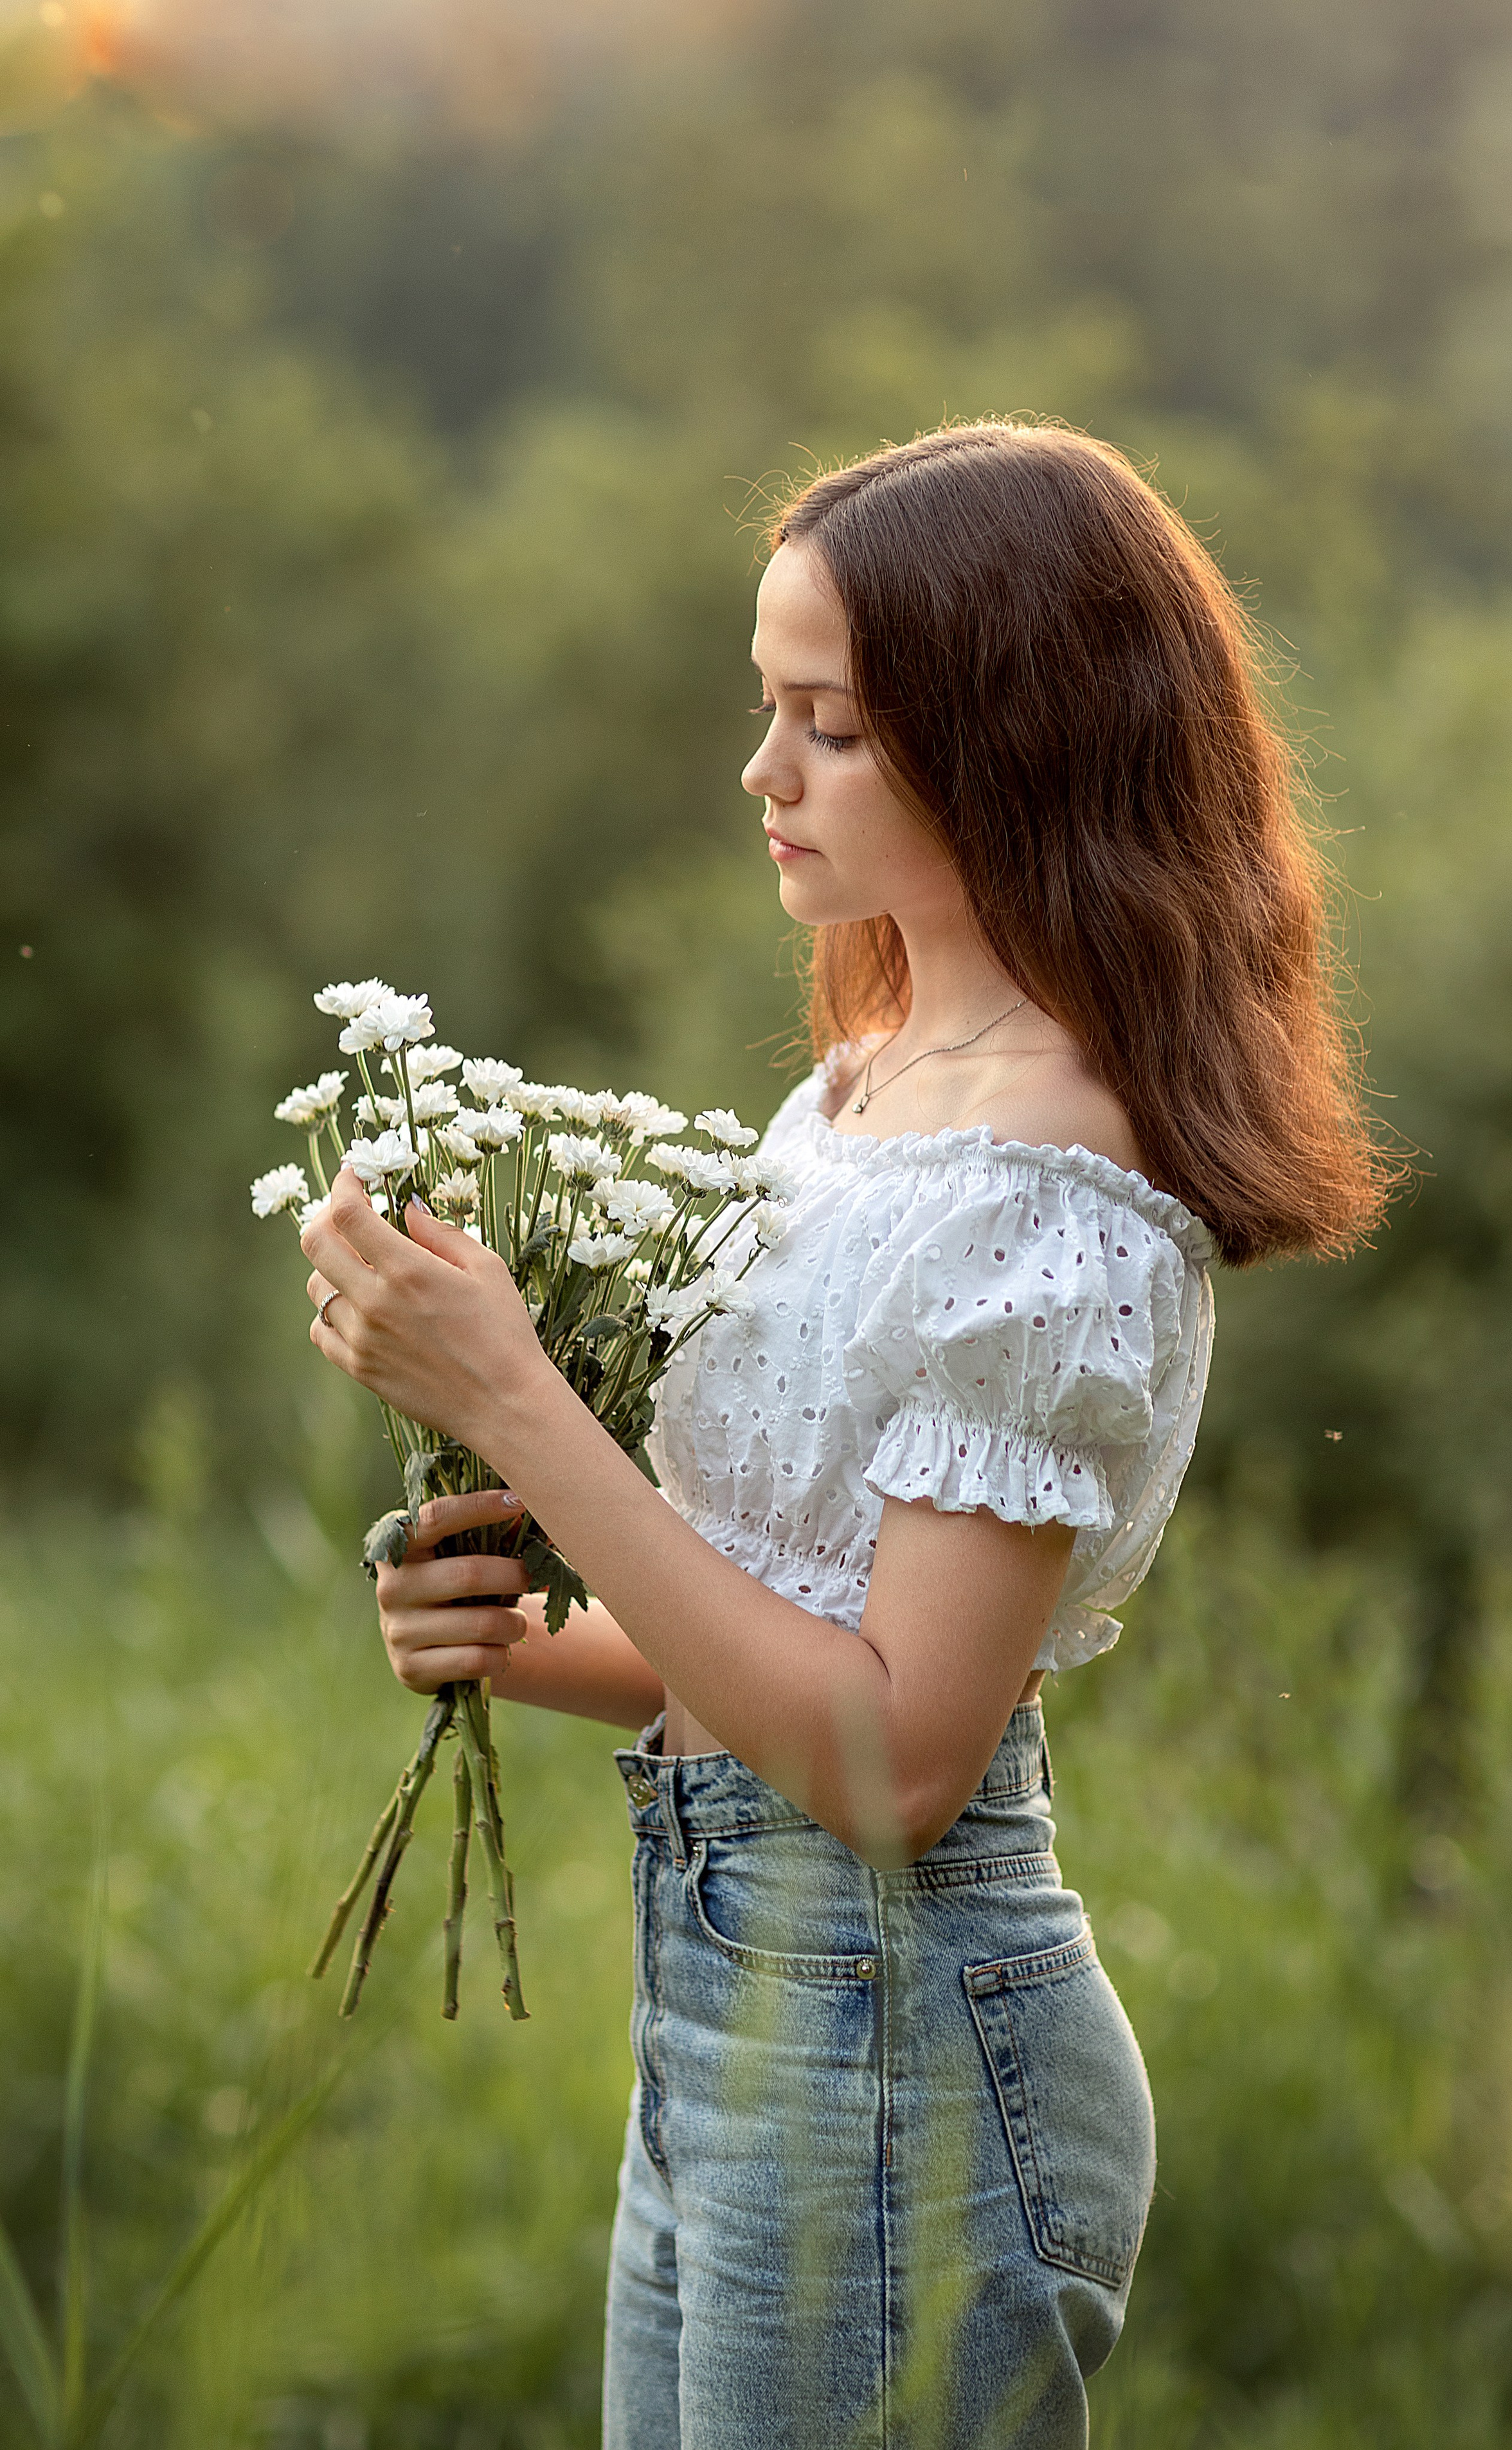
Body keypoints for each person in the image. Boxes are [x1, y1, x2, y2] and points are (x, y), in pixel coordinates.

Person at [299, 422, 1389, 2449]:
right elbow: (788, 1627)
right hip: (739, 2011)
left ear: (1012, 739)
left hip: (902, 2055)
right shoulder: (865, 1085)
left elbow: (897, 1753)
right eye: (764, 707)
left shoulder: (1054, 1197)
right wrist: (523, 1645)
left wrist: (520, 1403)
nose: (763, 773)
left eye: (832, 726)